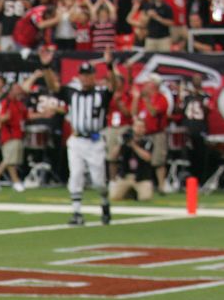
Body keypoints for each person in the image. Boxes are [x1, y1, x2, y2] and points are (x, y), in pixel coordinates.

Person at [46, 61, 114, 225]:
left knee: (99, 182)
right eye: (82, 75)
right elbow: (54, 87)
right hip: (76, 140)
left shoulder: (101, 94)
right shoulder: (72, 92)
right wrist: (46, 67)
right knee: (75, 175)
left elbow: (114, 87)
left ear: (93, 76)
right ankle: (76, 212)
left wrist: (110, 66)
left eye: (88, 75)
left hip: (94, 141)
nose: (85, 78)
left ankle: (104, 201)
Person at [110, 119, 156, 201]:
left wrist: (133, 145)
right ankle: (129, 193)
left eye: (142, 127)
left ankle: (134, 192)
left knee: (145, 198)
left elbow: (147, 157)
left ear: (145, 129)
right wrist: (121, 143)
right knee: (114, 197)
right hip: (125, 175)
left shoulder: (147, 141)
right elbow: (113, 156)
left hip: (142, 177)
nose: (139, 129)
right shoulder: (125, 140)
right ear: (133, 127)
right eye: (137, 126)